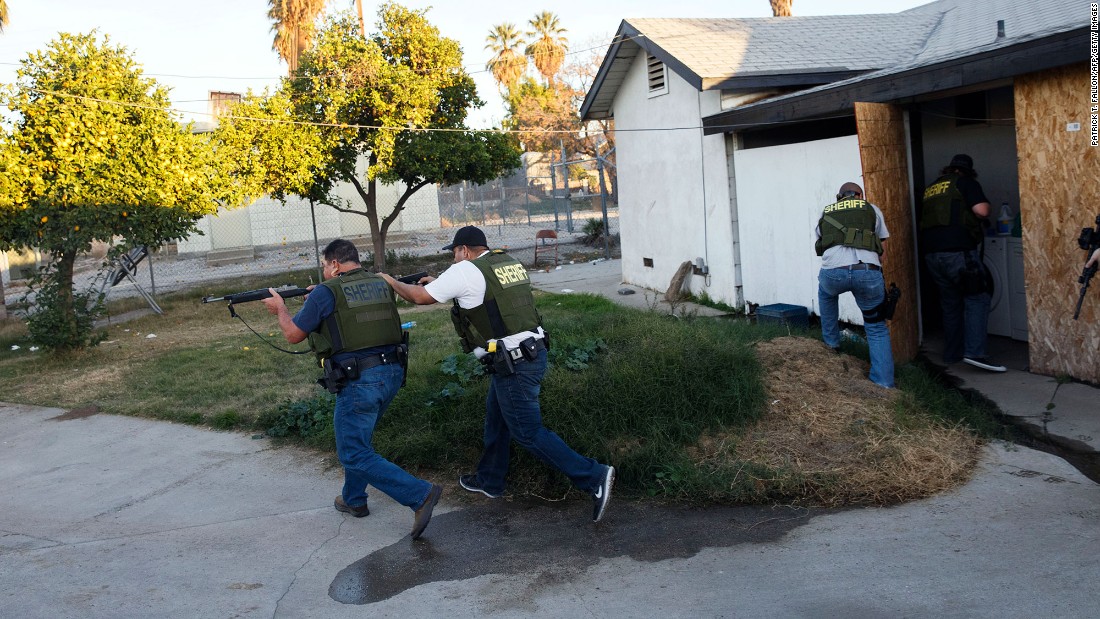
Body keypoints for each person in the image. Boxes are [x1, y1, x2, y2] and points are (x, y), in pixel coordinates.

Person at [381, 225, 616, 523]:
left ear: (464, 251)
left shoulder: (464, 270)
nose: (454, 259)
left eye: (454, 252)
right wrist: (440, 282)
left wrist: (390, 281)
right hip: (531, 352)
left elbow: (419, 297)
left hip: (516, 364)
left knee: (528, 432)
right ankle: (490, 479)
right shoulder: (507, 262)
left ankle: (594, 476)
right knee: (497, 415)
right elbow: (484, 294)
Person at [262, 239, 442, 540]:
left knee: (353, 452)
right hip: (393, 372)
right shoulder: (380, 283)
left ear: (334, 264)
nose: (324, 271)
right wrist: (317, 299)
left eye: (324, 266)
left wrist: (281, 308)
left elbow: (294, 334)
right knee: (359, 439)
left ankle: (419, 494)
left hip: (361, 379)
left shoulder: (325, 291)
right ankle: (354, 499)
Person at [920, 154, 1007, 373]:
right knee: (978, 298)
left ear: (948, 168)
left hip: (932, 255)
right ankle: (975, 352)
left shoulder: (931, 188)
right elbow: (982, 211)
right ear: (968, 170)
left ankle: (952, 353)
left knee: (950, 303)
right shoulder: (966, 183)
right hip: (958, 253)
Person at [815, 182, 895, 389]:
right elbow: (882, 248)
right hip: (867, 271)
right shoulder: (871, 209)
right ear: (860, 195)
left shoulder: (826, 212)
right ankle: (884, 383)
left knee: (825, 293)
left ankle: (831, 345)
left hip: (833, 273)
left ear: (839, 197)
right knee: (876, 327)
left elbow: (821, 243)